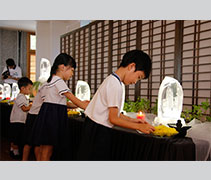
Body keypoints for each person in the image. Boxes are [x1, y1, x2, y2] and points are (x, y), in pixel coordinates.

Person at [77, 49, 155, 160]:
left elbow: (113, 113)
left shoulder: (114, 81)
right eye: (138, 77)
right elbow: (113, 118)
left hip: (94, 128)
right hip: (98, 131)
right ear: (131, 66)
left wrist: (132, 120)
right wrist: (139, 127)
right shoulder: (114, 84)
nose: (135, 82)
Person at [30, 53, 89, 161]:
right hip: (52, 118)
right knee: (47, 151)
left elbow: (60, 102)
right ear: (62, 67)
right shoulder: (59, 81)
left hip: (46, 116)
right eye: (72, 70)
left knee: (43, 149)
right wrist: (87, 105)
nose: (72, 74)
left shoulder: (48, 82)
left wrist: (81, 104)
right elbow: (72, 98)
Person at [22, 82, 47, 161]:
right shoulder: (46, 87)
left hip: (33, 115)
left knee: (31, 143)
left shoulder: (46, 86)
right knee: (36, 143)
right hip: (34, 116)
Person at [9, 77, 33, 159]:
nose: (30, 91)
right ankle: (15, 154)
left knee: (14, 137)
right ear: (22, 88)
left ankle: (12, 151)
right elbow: (24, 109)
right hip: (18, 121)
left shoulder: (22, 97)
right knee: (17, 138)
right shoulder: (21, 97)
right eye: (29, 89)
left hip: (16, 120)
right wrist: (32, 105)